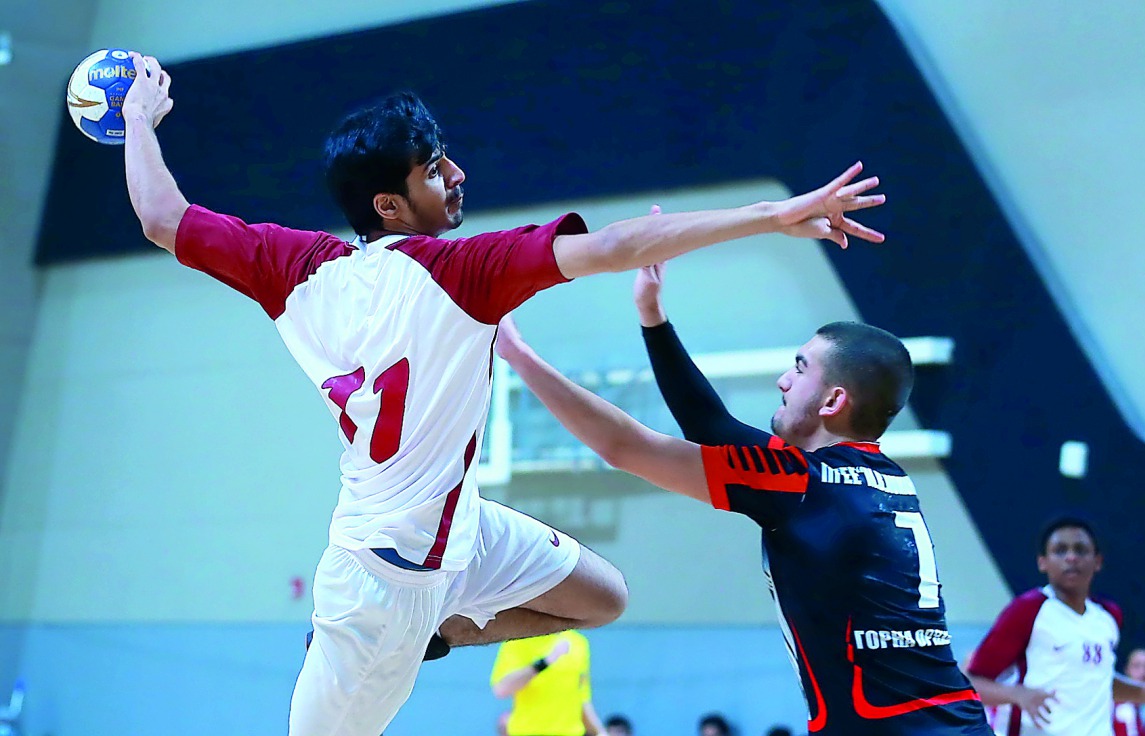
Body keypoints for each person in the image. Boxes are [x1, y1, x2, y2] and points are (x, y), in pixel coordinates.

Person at [119, 50, 886, 736]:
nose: (455, 175)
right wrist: (771, 214)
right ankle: (407, 633)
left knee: (602, 596)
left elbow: (162, 217)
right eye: (431, 169)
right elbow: (617, 245)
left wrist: (137, 118)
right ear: (388, 204)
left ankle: (437, 635)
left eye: (445, 157)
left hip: (463, 533)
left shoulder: (295, 266)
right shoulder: (462, 273)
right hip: (382, 580)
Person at [494, 283, 995, 733]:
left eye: (799, 369)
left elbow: (623, 447)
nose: (782, 380)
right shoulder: (879, 478)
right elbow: (711, 427)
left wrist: (517, 353)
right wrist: (653, 315)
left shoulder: (804, 483)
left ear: (832, 401)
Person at [966, 518, 1145, 736]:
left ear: (1097, 561)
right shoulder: (1027, 610)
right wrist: (1017, 694)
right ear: (1042, 562)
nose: (1071, 557)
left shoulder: (1108, 616)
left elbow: (1102, 682)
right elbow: (971, 683)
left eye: (1080, 550)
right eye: (1060, 550)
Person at [491, 630, 606, 736]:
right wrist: (544, 662)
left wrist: (600, 732)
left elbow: (582, 697)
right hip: (529, 732)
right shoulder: (517, 641)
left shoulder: (579, 642)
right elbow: (501, 689)